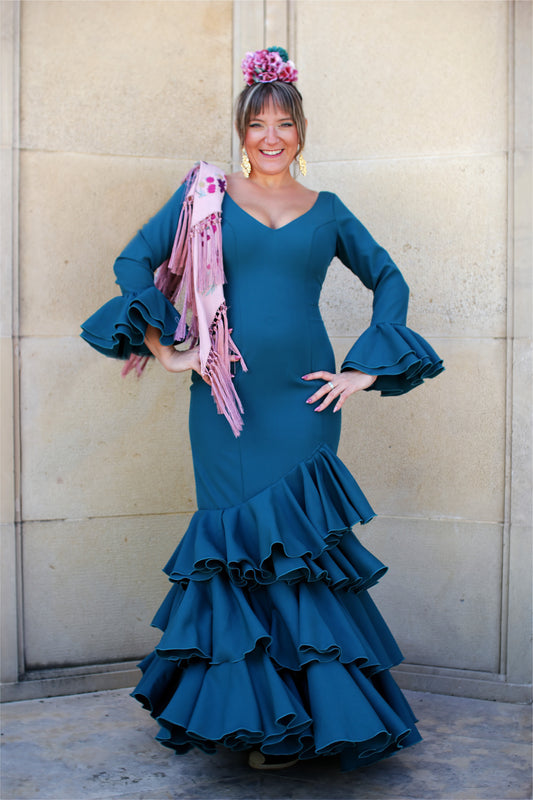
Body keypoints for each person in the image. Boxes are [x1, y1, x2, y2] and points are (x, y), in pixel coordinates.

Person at [81, 47, 443, 772]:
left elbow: (389, 277)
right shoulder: (204, 197)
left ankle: (309, 720)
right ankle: (254, 721)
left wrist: (363, 371)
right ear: (241, 132)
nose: (270, 136)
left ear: (300, 131)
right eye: (256, 124)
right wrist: (168, 345)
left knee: (300, 556)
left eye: (283, 123)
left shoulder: (329, 210)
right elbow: (133, 262)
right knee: (238, 551)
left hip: (304, 405)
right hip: (225, 405)